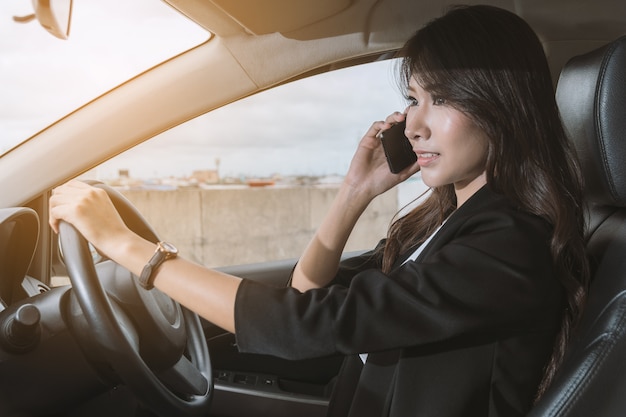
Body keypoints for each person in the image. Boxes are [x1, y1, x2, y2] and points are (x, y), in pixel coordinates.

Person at [49, 5, 589, 417]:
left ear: (500, 105)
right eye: (413, 98)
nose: (414, 124)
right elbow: (307, 297)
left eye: (440, 100)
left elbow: (300, 325)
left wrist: (127, 247)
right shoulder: (446, 223)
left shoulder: (508, 245)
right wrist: (354, 193)